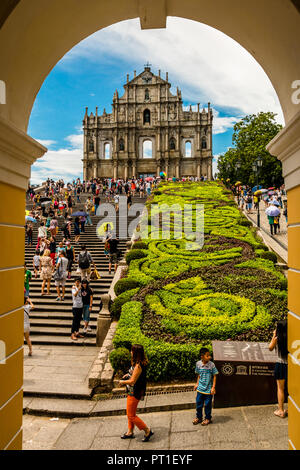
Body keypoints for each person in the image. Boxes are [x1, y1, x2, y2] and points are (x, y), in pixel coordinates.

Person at [119, 344, 153, 441]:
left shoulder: (138, 366)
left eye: (132, 351)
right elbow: (133, 375)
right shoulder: (137, 362)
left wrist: (122, 382)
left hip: (134, 392)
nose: (130, 352)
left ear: (135, 353)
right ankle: (130, 431)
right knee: (130, 413)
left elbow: (133, 381)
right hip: (132, 391)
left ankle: (147, 430)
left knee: (131, 415)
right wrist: (128, 374)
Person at [193, 348, 218, 426]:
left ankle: (208, 418)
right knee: (198, 404)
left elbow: (215, 376)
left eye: (209, 355)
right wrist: (197, 384)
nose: (209, 357)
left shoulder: (211, 365)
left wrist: (213, 387)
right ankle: (199, 417)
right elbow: (199, 375)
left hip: (208, 390)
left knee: (207, 405)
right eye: (207, 356)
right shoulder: (198, 364)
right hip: (200, 389)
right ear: (202, 357)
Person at [269, 320, 288, 418]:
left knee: (280, 388)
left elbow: (270, 348)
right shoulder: (292, 338)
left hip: (280, 365)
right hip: (291, 365)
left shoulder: (277, 338)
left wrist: (273, 336)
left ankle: (280, 410)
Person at [71, 277, 84, 341]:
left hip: (80, 306)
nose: (77, 283)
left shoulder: (81, 288)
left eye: (78, 281)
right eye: (76, 281)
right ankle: (72, 334)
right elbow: (75, 295)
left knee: (79, 320)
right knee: (75, 320)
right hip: (75, 306)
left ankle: (77, 332)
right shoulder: (73, 288)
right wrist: (78, 289)